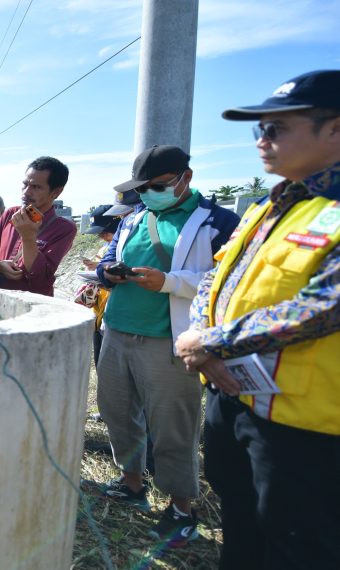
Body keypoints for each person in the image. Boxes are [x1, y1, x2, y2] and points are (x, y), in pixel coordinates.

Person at [175, 69, 340, 569]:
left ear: (334, 129)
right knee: (241, 527)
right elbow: (214, 278)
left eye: (276, 129)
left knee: (297, 544)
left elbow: (326, 305)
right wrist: (198, 336)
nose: (261, 141)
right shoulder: (270, 206)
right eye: (258, 130)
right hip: (234, 398)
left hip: (306, 426)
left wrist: (213, 343)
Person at [92, 145, 240, 547]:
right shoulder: (134, 218)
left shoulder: (218, 222)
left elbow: (226, 283)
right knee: (117, 412)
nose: (147, 195)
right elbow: (107, 257)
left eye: (157, 186)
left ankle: (180, 505)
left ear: (184, 178)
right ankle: (131, 481)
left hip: (169, 340)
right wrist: (109, 271)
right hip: (118, 331)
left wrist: (169, 282)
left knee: (172, 425)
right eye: (142, 189)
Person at [0, 156, 77, 296]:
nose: (26, 192)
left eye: (36, 187)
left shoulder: (64, 229)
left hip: (33, 306)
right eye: (25, 184)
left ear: (56, 192)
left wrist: (28, 238)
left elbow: (40, 277)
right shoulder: (10, 213)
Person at [74, 205, 121, 363]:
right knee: (98, 358)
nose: (101, 236)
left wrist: (101, 268)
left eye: (104, 232)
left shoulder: (124, 247)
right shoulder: (105, 248)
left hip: (114, 310)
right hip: (98, 309)